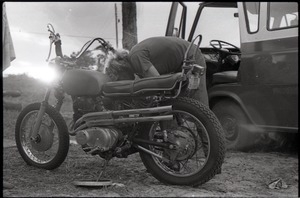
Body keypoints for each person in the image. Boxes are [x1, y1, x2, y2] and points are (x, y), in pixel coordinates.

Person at [104, 36, 208, 106]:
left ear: (121, 69)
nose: (122, 81)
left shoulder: (136, 58)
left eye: (119, 78)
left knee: (198, 104)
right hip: (183, 59)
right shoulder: (135, 56)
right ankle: (174, 134)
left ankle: (210, 138)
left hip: (191, 57)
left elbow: (158, 83)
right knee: (174, 104)